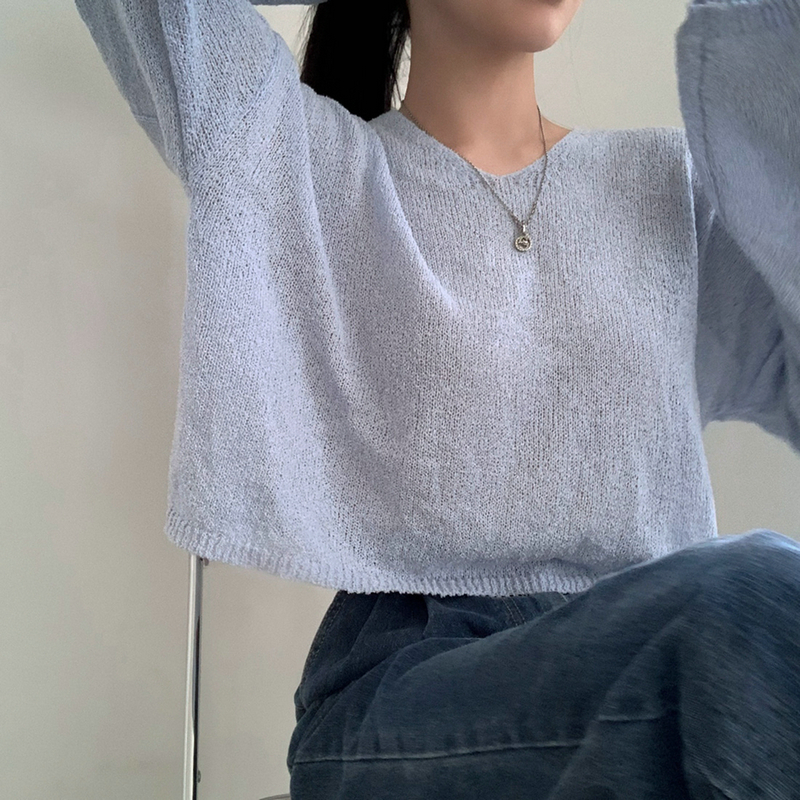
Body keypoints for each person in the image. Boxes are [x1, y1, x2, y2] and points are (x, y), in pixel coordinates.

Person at [73, 0, 800, 796]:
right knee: (754, 607)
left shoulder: (669, 193)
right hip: (409, 689)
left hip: (656, 647)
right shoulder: (299, 162)